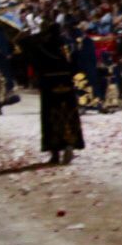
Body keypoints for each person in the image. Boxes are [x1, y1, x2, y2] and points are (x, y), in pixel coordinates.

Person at [26, 22, 85, 166]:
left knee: (51, 117)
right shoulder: (69, 45)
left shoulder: (41, 46)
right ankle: (69, 145)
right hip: (66, 84)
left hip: (49, 85)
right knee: (68, 115)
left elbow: (35, 63)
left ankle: (55, 152)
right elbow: (76, 65)